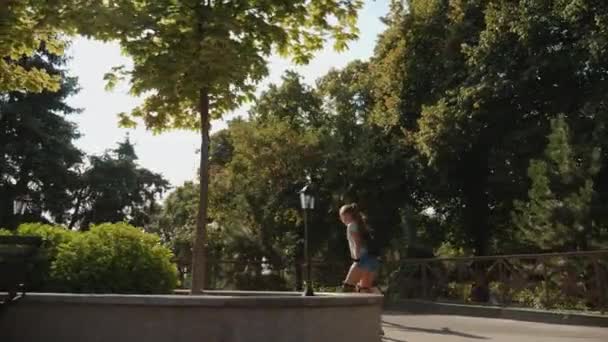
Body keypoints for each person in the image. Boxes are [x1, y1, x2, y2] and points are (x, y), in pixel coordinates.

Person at [339, 203, 380, 293]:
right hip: (372, 259)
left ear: (349, 215)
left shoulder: (351, 225)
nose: (342, 219)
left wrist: (356, 259)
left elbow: (358, 242)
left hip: (363, 259)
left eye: (342, 216)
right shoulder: (361, 224)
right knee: (364, 291)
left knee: (348, 288)